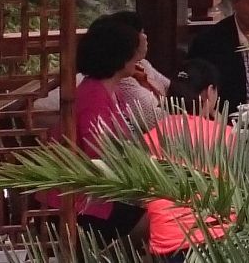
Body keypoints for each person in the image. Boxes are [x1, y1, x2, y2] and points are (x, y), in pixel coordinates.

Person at [67, 14, 154, 243]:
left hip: (104, 196)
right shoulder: (93, 95)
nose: (137, 57)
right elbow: (100, 156)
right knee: (169, 226)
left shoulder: (110, 91)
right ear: (118, 56)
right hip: (86, 204)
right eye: (132, 52)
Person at [141, 60, 236, 263]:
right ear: (209, 92)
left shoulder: (152, 135)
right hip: (215, 238)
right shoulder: (224, 135)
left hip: (167, 242)